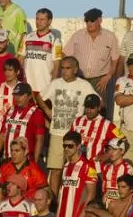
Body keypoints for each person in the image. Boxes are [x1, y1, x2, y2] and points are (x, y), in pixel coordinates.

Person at [39, 57, 98, 190]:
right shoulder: (55, 83)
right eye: (62, 68)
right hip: (57, 133)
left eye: (68, 68)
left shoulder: (84, 85)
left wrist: (86, 120)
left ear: (75, 69)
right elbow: (39, 97)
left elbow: (98, 102)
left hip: (75, 134)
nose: (64, 71)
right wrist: (47, 110)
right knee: (55, 170)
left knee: (74, 169)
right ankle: (54, 201)